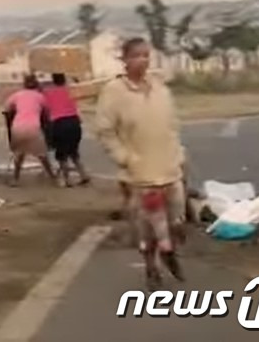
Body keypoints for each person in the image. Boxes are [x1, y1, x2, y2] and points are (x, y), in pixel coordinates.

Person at [96, 37, 186, 291]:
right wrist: (125, 158)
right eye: (136, 55)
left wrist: (178, 155)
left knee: (174, 221)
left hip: (169, 168)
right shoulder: (114, 92)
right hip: (141, 174)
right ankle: (151, 268)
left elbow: (172, 125)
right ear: (124, 60)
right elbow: (105, 131)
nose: (142, 60)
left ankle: (168, 252)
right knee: (147, 226)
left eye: (146, 55)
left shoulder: (159, 87)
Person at [4, 74, 56, 185]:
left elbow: (7, 108)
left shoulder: (17, 95)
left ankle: (15, 179)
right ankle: (52, 177)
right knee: (42, 154)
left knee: (19, 155)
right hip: (33, 127)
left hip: (17, 127)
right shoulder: (39, 96)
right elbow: (47, 112)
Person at [43, 73, 90, 187]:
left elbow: (45, 109)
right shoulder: (71, 90)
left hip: (59, 123)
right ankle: (84, 175)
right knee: (73, 152)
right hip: (74, 122)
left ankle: (67, 180)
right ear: (64, 80)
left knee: (61, 154)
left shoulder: (48, 93)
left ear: (53, 80)